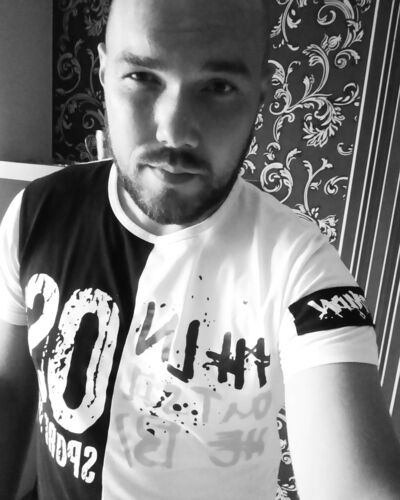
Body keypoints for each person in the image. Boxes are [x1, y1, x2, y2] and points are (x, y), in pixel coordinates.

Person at [1, 0, 400, 498]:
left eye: (217, 86)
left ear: (260, 95)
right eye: (142, 76)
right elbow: (12, 391)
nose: (174, 130)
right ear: (103, 73)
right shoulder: (36, 212)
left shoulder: (299, 266)